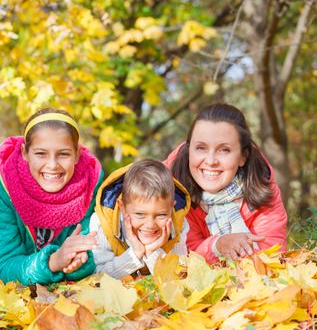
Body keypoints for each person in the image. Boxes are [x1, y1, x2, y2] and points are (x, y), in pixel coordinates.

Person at [0, 108, 103, 285]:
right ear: (25, 153)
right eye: (41, 153)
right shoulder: (2, 186)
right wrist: (52, 262)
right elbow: (3, 264)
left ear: (77, 154)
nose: (53, 165)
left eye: (64, 154)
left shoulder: (90, 186)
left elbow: (95, 256)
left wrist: (78, 262)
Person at [165, 103, 287, 263]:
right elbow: (180, 256)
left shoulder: (261, 185)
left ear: (243, 156)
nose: (210, 161)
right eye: (201, 148)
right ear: (189, 150)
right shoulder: (169, 187)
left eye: (224, 150)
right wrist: (217, 245)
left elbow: (271, 255)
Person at [90, 159, 190, 279]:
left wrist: (152, 252)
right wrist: (135, 253)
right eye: (140, 214)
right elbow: (97, 276)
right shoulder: (103, 223)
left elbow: (180, 279)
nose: (150, 225)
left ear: (171, 207)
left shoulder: (178, 223)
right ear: (123, 207)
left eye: (161, 215)